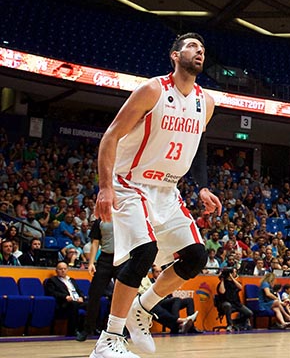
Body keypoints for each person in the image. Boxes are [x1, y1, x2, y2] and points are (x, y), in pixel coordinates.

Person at [90, 33, 222, 358]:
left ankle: (142, 309)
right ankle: (108, 340)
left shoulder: (206, 102)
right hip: (130, 182)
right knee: (143, 253)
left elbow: (199, 148)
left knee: (196, 257)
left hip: (167, 189)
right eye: (192, 46)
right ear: (175, 56)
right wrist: (105, 187)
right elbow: (110, 136)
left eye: (202, 48)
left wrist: (203, 185)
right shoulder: (153, 90)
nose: (199, 51)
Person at [84, 217, 118, 340]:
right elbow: (95, 242)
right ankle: (88, 329)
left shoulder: (126, 216)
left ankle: (117, 329)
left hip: (122, 259)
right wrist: (91, 262)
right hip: (105, 258)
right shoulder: (100, 221)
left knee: (120, 296)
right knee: (94, 294)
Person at [44, 261, 86, 339]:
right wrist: (65, 296)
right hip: (65, 303)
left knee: (92, 305)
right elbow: (51, 292)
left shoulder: (72, 280)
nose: (63, 270)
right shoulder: (52, 280)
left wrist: (81, 297)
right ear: (56, 270)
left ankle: (90, 329)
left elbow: (79, 291)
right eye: (60, 269)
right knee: (74, 305)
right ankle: (73, 331)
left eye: (65, 269)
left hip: (77, 301)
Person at [214, 266, 252, 332]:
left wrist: (232, 278)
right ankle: (229, 325)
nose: (235, 273)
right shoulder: (221, 284)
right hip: (224, 303)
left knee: (249, 313)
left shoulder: (235, 283)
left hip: (236, 303)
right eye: (234, 272)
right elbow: (222, 291)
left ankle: (234, 322)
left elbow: (240, 287)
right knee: (227, 305)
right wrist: (222, 280)